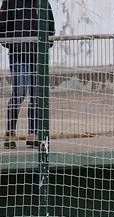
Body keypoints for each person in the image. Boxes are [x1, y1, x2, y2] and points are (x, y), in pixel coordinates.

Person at [0, 0, 54, 150]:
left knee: (37, 96)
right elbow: (2, 25)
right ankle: (10, 133)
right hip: (19, 54)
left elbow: (50, 26)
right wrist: (12, 44)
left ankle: (33, 135)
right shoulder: (10, 2)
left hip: (38, 56)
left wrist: (45, 45)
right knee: (20, 91)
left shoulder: (43, 3)